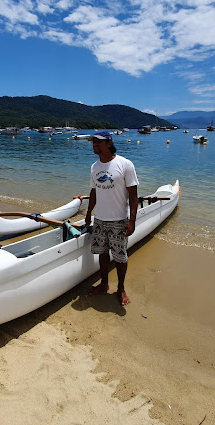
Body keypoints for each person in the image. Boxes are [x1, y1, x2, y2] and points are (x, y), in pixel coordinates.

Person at [84, 131, 138, 306]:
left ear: (109, 143)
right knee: (102, 253)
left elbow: (133, 195)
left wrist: (132, 221)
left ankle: (121, 288)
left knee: (120, 257)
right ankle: (104, 283)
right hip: (99, 219)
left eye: (98, 142)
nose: (95, 145)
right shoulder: (94, 167)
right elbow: (94, 192)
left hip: (118, 220)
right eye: (93, 142)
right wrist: (88, 214)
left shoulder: (125, 164)